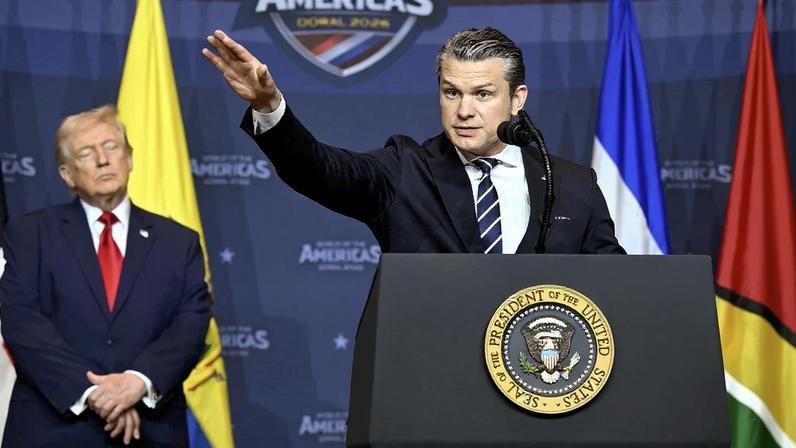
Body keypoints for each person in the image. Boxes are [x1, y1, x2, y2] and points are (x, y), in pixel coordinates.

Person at [202, 27, 624, 254]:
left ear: (517, 99)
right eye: (451, 92)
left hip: (542, 397)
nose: (463, 110)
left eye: (482, 94)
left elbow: (617, 290)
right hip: (427, 390)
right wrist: (270, 105)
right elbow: (318, 169)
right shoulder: (405, 170)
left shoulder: (572, 185)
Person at [0, 106, 211, 446]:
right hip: (54, 430)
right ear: (68, 174)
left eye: (112, 147)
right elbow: (22, 324)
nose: (102, 159)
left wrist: (137, 383)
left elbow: (190, 324)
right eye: (87, 152)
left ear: (129, 158)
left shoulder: (179, 241)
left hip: (149, 430)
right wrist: (93, 394)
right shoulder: (29, 235)